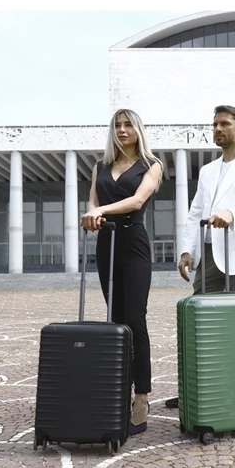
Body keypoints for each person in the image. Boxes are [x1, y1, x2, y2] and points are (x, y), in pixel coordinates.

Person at [165, 104, 235, 409]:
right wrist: (187, 250)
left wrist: (232, 215)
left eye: (225, 124)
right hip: (208, 256)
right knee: (202, 327)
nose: (217, 129)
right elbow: (195, 213)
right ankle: (198, 390)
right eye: (215, 124)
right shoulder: (207, 170)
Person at [80, 108, 162, 434]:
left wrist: (101, 209)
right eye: (117, 125)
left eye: (128, 125)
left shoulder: (151, 165)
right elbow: (92, 201)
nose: (123, 130)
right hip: (107, 244)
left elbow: (137, 202)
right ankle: (119, 391)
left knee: (135, 319)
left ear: (138, 130)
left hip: (134, 244)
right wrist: (93, 214)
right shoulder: (99, 167)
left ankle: (141, 397)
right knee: (115, 319)